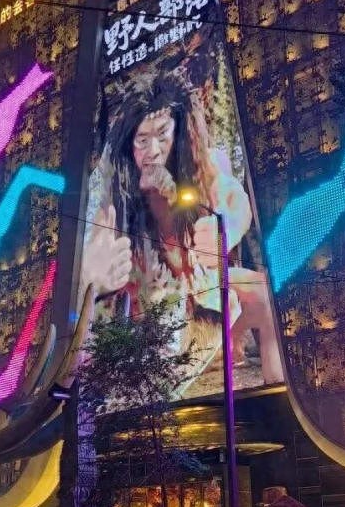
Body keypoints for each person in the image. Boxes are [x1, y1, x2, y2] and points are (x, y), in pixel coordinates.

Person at [81, 69, 284, 387]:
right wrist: (93, 278)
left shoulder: (205, 166)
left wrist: (226, 230)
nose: (153, 151)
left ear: (180, 132)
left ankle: (277, 397)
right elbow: (94, 253)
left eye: (163, 135)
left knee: (263, 294)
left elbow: (237, 202)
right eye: (142, 141)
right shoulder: (116, 192)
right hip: (149, 315)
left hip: (201, 294)